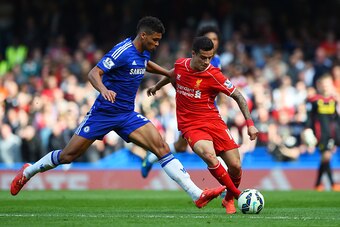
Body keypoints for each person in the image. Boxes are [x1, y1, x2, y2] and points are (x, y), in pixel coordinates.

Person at [10, 16, 226, 208]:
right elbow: (94, 72)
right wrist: (104, 90)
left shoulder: (142, 53)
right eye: (155, 39)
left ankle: (197, 194)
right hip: (103, 113)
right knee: (68, 155)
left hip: (126, 115)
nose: (157, 43)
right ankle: (29, 171)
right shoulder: (122, 50)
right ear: (143, 35)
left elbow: (144, 64)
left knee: (161, 147)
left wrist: (166, 72)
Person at [147, 36, 258, 214]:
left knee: (236, 166)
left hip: (213, 121)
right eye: (203, 57)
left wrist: (250, 124)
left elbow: (238, 96)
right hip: (190, 124)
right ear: (193, 54)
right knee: (209, 154)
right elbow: (172, 74)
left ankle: (228, 199)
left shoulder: (214, 74)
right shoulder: (181, 65)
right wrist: (157, 87)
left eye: (210, 57)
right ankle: (238, 195)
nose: (207, 62)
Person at [141, 24, 222, 178]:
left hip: (209, 108)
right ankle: (226, 186)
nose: (213, 42)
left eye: (215, 39)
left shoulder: (216, 60)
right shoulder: (195, 62)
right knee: (210, 147)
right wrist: (157, 86)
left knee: (181, 146)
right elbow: (174, 73)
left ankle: (151, 157)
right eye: (209, 39)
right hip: (192, 111)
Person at [304, 74, 340, 191]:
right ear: (319, 86)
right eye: (323, 85)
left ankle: (318, 184)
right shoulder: (314, 100)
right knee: (326, 157)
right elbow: (309, 117)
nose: (325, 88)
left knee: (326, 158)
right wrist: (308, 129)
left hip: (332, 134)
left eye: (328, 85)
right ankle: (332, 184)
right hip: (320, 134)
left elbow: (336, 118)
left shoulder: (333, 101)